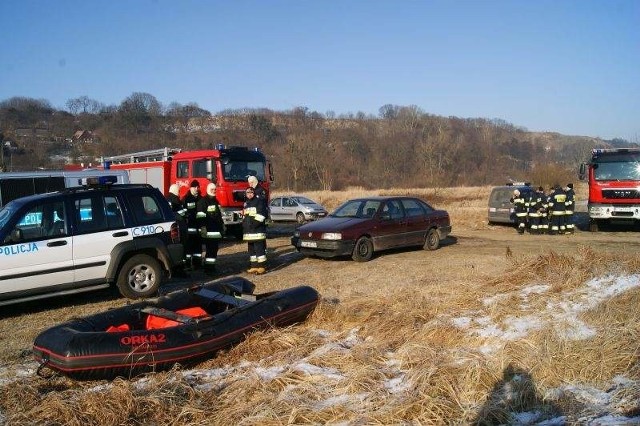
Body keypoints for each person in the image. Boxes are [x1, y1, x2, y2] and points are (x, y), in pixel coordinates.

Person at [196, 182, 225, 275]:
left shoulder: (215, 201)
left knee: (214, 251)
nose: (214, 191)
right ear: (208, 190)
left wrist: (222, 225)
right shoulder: (203, 202)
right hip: (209, 231)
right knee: (210, 251)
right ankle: (208, 269)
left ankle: (211, 267)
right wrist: (203, 227)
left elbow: (218, 215)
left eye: (215, 189)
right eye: (212, 189)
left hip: (216, 231)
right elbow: (200, 216)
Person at [242, 186, 268, 274]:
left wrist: (253, 225)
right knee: (251, 249)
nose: (249, 194)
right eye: (248, 193)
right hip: (249, 232)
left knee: (259, 249)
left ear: (254, 193)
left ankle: (261, 267)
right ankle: (254, 266)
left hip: (257, 231)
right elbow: (246, 217)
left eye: (251, 192)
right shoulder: (246, 204)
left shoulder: (259, 202)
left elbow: (262, 215)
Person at [182, 180, 202, 267]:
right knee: (188, 248)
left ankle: (197, 264)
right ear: (191, 188)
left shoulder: (201, 199)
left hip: (198, 227)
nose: (196, 189)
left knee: (198, 248)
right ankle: (188, 265)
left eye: (198, 187)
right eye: (195, 187)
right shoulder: (186, 199)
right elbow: (183, 212)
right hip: (189, 227)